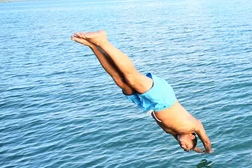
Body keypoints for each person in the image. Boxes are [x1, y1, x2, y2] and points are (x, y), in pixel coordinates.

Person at [71, 30, 212, 153]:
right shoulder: (194, 125)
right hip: (164, 99)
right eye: (186, 145)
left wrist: (193, 149)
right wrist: (208, 151)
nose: (182, 145)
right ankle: (103, 41)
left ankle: (92, 45)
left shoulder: (174, 133)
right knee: (131, 77)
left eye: (183, 148)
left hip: (148, 105)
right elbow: (206, 141)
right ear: (193, 136)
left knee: (119, 80)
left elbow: (190, 145)